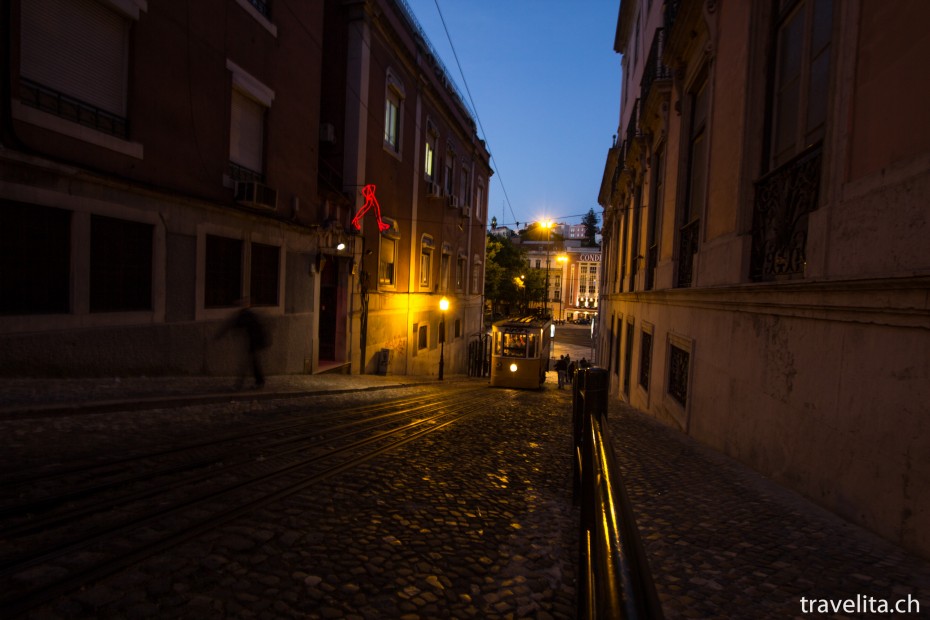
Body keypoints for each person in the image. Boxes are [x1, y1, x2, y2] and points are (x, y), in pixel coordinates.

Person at [216, 298, 270, 389]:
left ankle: (241, 384)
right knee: (253, 362)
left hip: (254, 341)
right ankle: (258, 382)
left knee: (248, 363)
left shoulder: (246, 314)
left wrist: (220, 334)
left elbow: (234, 324)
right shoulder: (249, 314)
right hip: (255, 341)